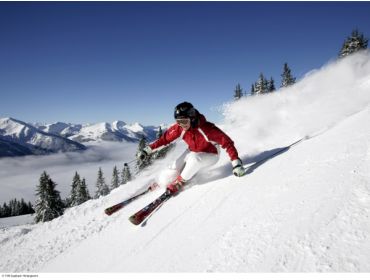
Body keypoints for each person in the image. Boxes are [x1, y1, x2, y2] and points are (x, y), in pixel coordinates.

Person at [138, 102, 245, 195]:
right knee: (175, 166)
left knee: (194, 159)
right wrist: (147, 150)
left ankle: (180, 182)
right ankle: (163, 181)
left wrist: (236, 163)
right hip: (192, 151)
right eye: (178, 121)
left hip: (211, 154)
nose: (181, 125)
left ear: (192, 118)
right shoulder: (180, 128)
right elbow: (164, 139)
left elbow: (228, 143)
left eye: (184, 121)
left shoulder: (207, 129)